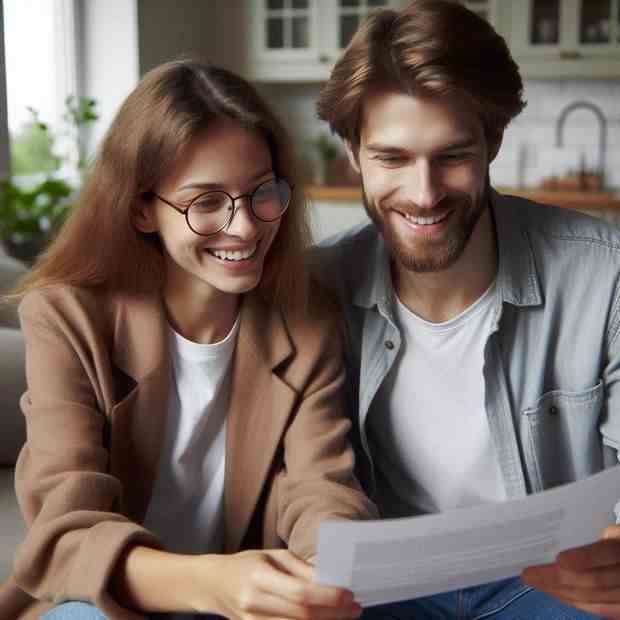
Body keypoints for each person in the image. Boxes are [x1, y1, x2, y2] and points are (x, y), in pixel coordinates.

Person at [0, 59, 377, 620]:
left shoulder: (307, 319)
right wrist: (214, 583)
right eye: (205, 202)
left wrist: (329, 570)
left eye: (260, 193)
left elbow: (321, 487)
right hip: (107, 603)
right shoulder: (66, 317)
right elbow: (66, 533)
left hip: (244, 606)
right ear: (141, 210)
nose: (246, 227)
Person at [312, 1, 620, 618]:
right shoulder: (317, 285)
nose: (424, 195)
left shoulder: (605, 272)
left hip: (554, 582)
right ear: (352, 150)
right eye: (392, 158)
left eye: (451, 156)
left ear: (493, 140)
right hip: (387, 589)